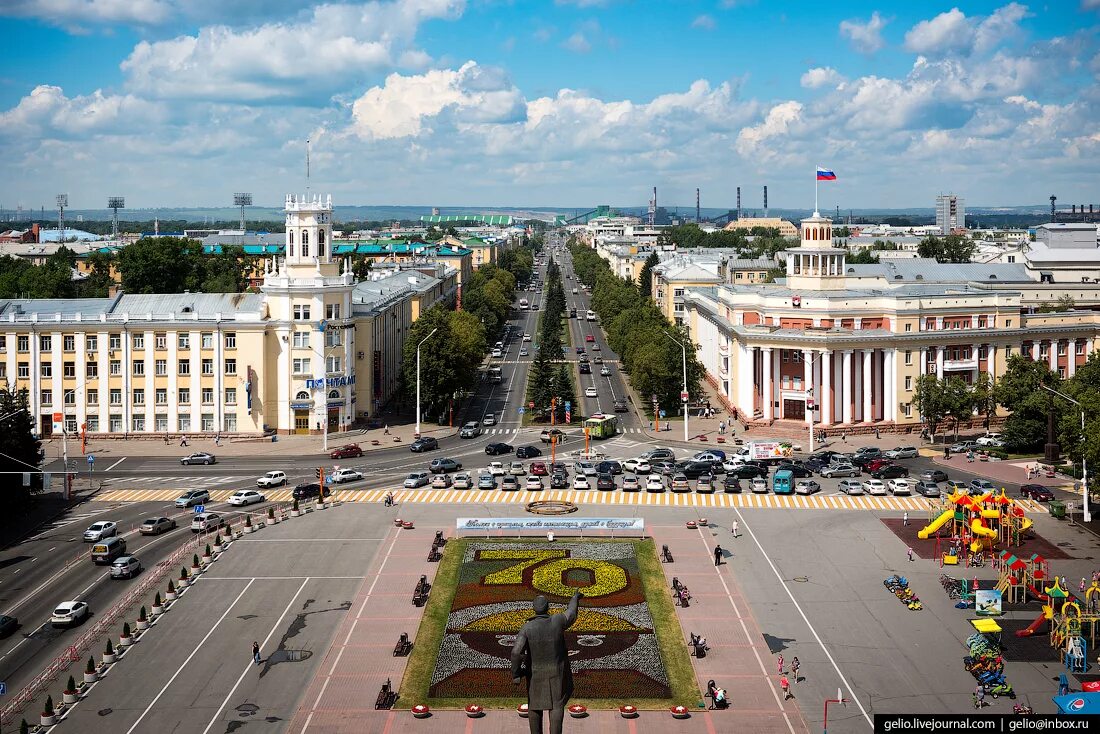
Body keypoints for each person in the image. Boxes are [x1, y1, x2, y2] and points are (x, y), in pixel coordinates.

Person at [512, 591, 581, 734]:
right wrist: (574, 597)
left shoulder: (527, 628)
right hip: (556, 673)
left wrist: (516, 674)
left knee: (534, 706)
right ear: (548, 607)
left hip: (535, 674)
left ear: (534, 609)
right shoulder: (557, 621)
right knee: (556, 706)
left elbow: (515, 652)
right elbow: (571, 613)